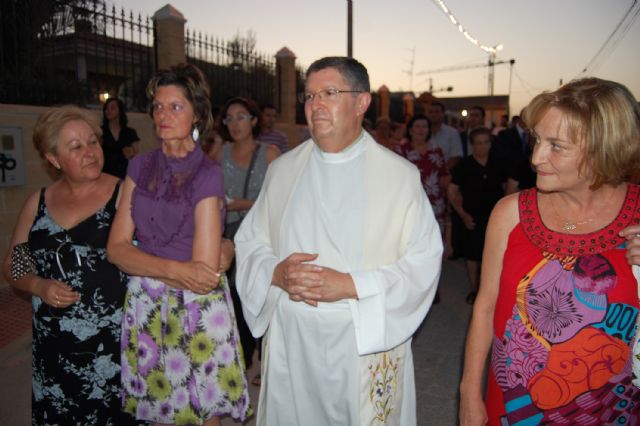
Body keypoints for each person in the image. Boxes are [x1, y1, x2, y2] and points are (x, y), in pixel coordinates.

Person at [234, 56, 443, 425]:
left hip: (361, 346)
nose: (315, 105)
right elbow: (251, 241)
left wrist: (348, 285)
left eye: (329, 92)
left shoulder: (399, 178)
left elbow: (423, 263)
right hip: (293, 343)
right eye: (309, 95)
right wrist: (276, 273)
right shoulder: (283, 170)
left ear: (362, 102)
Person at [459, 77, 640, 425]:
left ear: (604, 148)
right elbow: (485, 306)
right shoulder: (510, 213)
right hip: (515, 407)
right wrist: (469, 395)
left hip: (610, 409)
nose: (537, 157)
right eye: (538, 140)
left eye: (557, 146)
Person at [107, 63, 251, 426]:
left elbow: (200, 275)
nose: (163, 115)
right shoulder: (138, 166)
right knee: (159, 410)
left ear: (197, 114)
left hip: (194, 309)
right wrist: (173, 269)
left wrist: (143, 265)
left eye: (175, 106)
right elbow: (116, 248)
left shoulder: (207, 174)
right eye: (158, 106)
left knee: (202, 413)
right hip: (146, 305)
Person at [1, 106, 139, 425]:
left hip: (114, 347)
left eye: (93, 142)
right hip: (55, 350)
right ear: (53, 159)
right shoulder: (37, 202)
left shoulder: (124, 194)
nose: (90, 152)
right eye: (76, 147)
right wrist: (38, 285)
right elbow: (14, 264)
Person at [215, 96, 279, 382]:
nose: (235, 123)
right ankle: (240, 360)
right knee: (236, 297)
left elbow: (278, 200)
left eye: (241, 116)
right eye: (229, 118)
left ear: (254, 120)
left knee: (263, 293)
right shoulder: (221, 152)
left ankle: (267, 361)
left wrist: (241, 203)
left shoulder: (271, 154)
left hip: (262, 236)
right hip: (230, 236)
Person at [448, 127, 505, 304]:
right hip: (472, 217)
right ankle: (475, 289)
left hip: (495, 217)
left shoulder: (498, 163)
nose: (483, 146)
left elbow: (508, 188)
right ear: (472, 145)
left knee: (494, 254)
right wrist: (463, 215)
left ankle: (492, 289)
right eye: (479, 143)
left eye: (486, 142)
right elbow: (452, 190)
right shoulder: (464, 166)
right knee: (472, 255)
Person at [395, 114, 450, 236]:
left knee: (433, 236)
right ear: (410, 130)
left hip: (434, 202)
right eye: (417, 126)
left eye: (424, 126)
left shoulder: (436, 151)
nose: (421, 130)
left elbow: (444, 176)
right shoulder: (401, 150)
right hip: (410, 201)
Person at [101, 97, 140, 179]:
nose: (108, 110)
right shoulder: (100, 131)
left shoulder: (130, 132)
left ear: (120, 111)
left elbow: (136, 156)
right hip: (106, 174)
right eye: (106, 108)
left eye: (112, 108)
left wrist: (131, 155)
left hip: (125, 174)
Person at [427, 101, 463, 169]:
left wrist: (443, 172)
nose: (433, 114)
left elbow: (456, 156)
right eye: (430, 112)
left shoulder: (452, 133)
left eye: (437, 112)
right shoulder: (421, 133)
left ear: (443, 114)